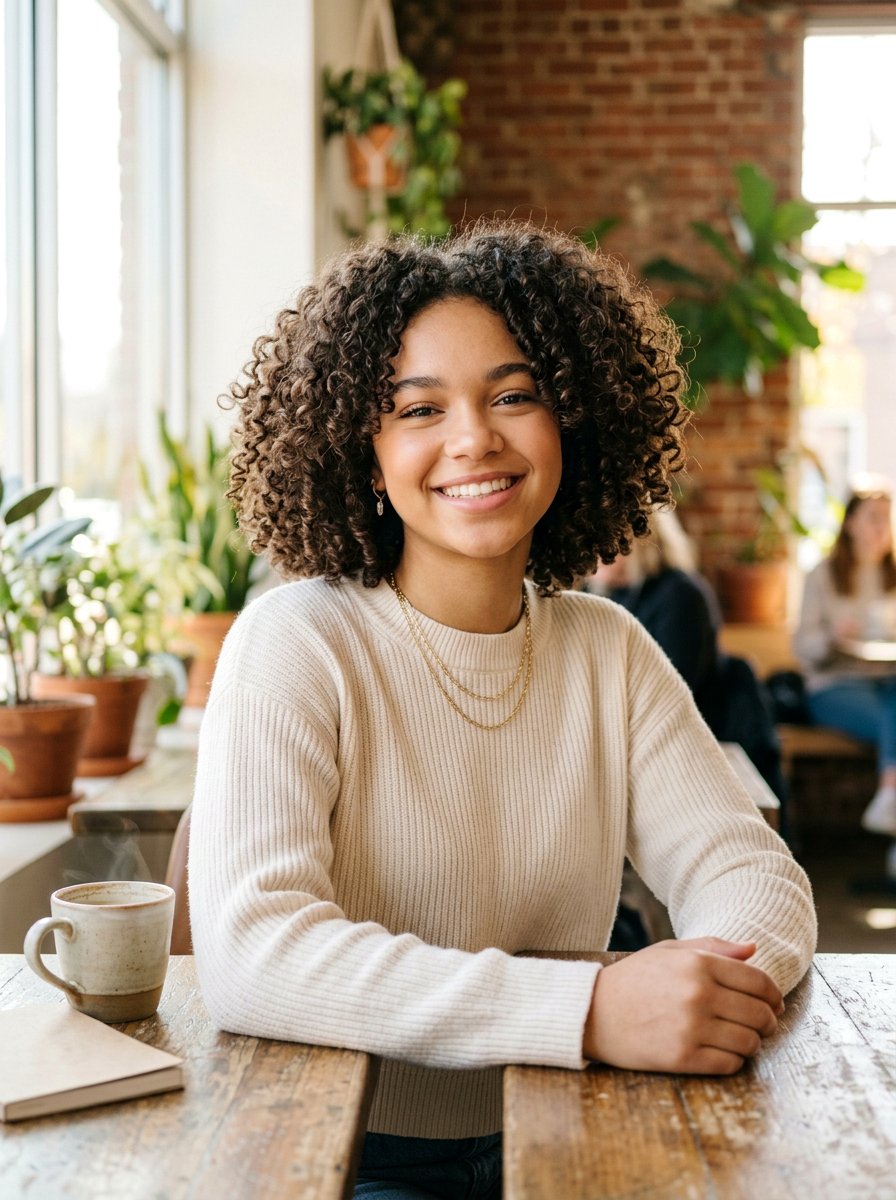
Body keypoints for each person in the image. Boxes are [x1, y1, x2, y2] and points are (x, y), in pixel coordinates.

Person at [188, 221, 817, 1199]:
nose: (474, 438)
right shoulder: (296, 642)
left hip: (574, 1113)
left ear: (573, 420)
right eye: (418, 408)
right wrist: (590, 1007)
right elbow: (255, 954)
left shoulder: (607, 650)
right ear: (365, 452)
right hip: (345, 1146)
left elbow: (754, 878)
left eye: (514, 395)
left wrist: (706, 988)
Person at [586, 511, 788, 810]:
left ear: (636, 541)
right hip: (643, 738)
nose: (588, 550)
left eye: (600, 538)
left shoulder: (680, 595)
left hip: (698, 740)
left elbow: (668, 694)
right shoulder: (608, 595)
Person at [794, 478, 896, 871]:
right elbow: (803, 648)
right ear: (850, 523)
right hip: (833, 685)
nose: (881, 528)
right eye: (873, 518)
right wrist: (832, 638)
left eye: (886, 519)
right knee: (892, 714)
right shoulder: (822, 576)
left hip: (886, 680)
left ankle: (890, 799)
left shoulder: (892, 575)